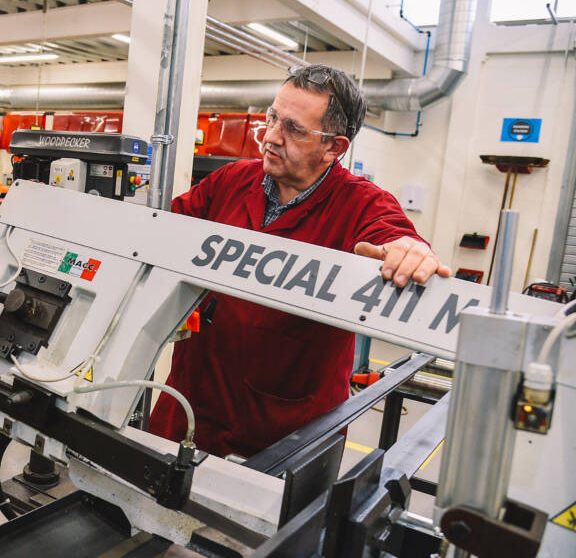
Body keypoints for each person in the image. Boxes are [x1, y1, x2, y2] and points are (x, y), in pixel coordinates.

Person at [148, 64, 449, 459]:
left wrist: (408, 249)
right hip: (187, 410)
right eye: (272, 117)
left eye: (292, 128)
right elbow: (163, 231)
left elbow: (394, 235)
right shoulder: (231, 181)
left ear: (334, 148)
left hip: (283, 436)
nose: (270, 136)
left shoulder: (361, 205)